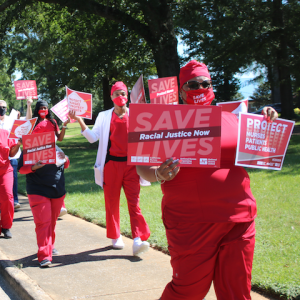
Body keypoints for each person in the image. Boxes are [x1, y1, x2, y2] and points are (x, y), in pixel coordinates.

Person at [136, 60, 278, 300]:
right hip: (191, 223)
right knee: (188, 291)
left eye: (205, 83)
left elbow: (261, 152)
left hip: (238, 219)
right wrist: (158, 174)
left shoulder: (232, 119)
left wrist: (266, 121)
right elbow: (142, 166)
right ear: (181, 91)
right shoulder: (165, 122)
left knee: (237, 292)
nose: (200, 88)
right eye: (193, 84)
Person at [69, 81, 151, 256]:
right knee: (111, 202)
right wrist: (80, 121)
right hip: (111, 165)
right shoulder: (104, 116)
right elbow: (93, 138)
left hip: (131, 166)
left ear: (127, 95)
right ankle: (115, 236)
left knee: (134, 202)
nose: (120, 97)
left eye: (123, 93)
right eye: (116, 94)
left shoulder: (137, 114)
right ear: (111, 97)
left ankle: (138, 239)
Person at [18, 101, 70, 267]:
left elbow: (66, 163)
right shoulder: (30, 148)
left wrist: (65, 159)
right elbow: (21, 169)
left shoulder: (57, 148)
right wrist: (34, 166)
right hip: (37, 189)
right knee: (43, 222)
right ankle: (44, 255)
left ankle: (49, 245)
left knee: (52, 223)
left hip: (57, 189)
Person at [27, 99, 70, 217]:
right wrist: (29, 105)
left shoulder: (53, 121)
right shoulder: (33, 122)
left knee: (58, 176)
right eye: (41, 108)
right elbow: (27, 121)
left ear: (48, 109)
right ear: (37, 109)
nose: (43, 110)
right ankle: (42, 203)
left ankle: (61, 205)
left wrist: (64, 125)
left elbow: (60, 139)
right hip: (38, 152)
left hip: (53, 150)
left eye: (45, 108)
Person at [0, 98, 33, 209]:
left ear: (6, 108)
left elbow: (28, 120)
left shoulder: (12, 119)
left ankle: (14, 201)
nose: (2, 109)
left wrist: (29, 105)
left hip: (12, 154)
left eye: (3, 107)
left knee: (12, 179)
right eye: (0, 107)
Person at [0, 123, 22, 238]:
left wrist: (18, 144)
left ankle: (6, 226)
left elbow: (11, 153)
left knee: (8, 197)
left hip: (5, 170)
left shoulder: (5, 133)